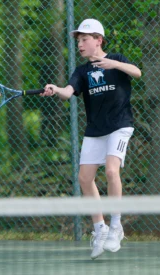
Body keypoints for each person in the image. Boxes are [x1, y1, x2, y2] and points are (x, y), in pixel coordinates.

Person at [40, 18, 142, 259]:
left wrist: (114, 64)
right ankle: (100, 229)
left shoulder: (117, 59)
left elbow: (137, 73)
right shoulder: (82, 72)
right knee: (84, 178)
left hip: (120, 126)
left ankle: (116, 226)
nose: (80, 45)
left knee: (111, 171)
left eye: (85, 39)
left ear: (98, 40)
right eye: (78, 41)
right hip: (95, 130)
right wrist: (56, 89)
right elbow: (68, 92)